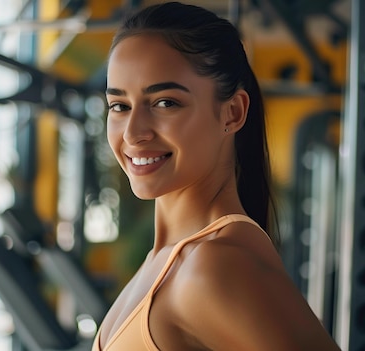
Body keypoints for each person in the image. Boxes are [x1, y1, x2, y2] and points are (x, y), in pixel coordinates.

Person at [94, 2, 341, 350]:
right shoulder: (165, 258)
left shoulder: (213, 265)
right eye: (120, 106)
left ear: (233, 112)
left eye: (165, 103)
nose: (133, 133)